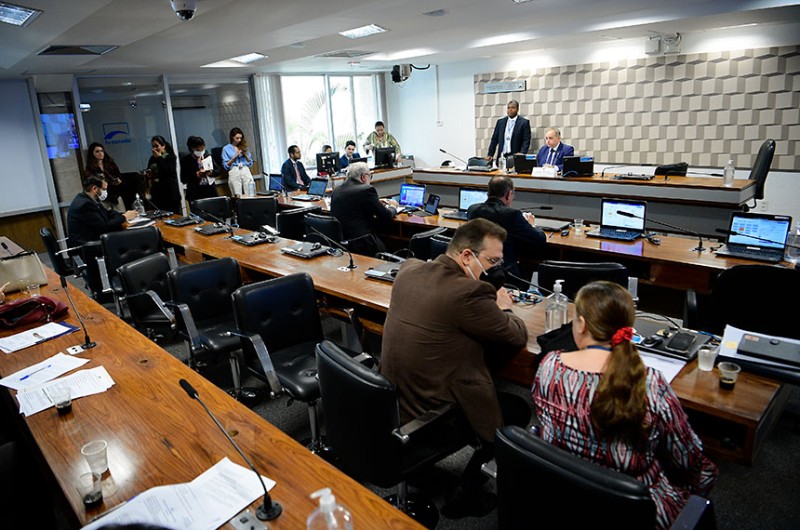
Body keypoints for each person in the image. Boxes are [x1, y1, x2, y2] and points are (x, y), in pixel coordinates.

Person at [531, 281, 718, 530]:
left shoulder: (549, 365)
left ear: (582, 325)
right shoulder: (648, 381)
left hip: (564, 496)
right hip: (635, 511)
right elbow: (688, 460)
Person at [380, 218, 530, 518]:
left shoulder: (409, 270)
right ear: (466, 256)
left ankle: (429, 473)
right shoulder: (469, 293)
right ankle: (468, 493)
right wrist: (504, 305)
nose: (497, 268)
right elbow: (516, 335)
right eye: (492, 260)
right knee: (517, 408)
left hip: (391, 402)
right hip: (431, 417)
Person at [467, 176, 546, 288]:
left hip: (478, 269)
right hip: (504, 273)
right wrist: (532, 225)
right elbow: (540, 239)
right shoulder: (512, 215)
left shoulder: (472, 210)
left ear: (488, 193)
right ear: (508, 194)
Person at [329, 162, 398, 256]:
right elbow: (385, 216)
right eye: (370, 176)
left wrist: (376, 203)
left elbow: (354, 207)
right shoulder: (366, 189)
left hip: (343, 244)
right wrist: (393, 206)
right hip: (364, 243)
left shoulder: (337, 190)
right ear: (363, 177)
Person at [67, 175, 136, 247]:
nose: (105, 192)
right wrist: (124, 217)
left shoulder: (89, 199)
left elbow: (107, 213)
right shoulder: (84, 205)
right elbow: (104, 227)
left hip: (95, 239)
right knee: (132, 238)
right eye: (104, 189)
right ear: (95, 189)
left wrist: (124, 215)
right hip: (89, 246)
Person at [486, 100, 531, 165]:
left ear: (517, 109)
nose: (510, 110)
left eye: (513, 108)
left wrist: (522, 153)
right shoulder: (500, 122)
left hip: (515, 156)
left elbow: (526, 140)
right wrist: (490, 154)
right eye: (508, 108)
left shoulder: (524, 122)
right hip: (502, 156)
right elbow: (494, 140)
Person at [146, 135, 181, 213]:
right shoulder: (152, 158)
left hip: (169, 193)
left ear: (163, 146)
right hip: (157, 192)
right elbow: (150, 169)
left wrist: (159, 157)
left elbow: (168, 171)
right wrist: (149, 173)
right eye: (153, 146)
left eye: (156, 146)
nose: (154, 148)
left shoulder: (170, 157)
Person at [84, 143, 124, 210]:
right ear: (92, 153)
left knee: (122, 213)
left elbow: (119, 176)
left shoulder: (110, 164)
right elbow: (89, 183)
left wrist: (118, 181)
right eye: (97, 151)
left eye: (102, 151)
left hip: (115, 194)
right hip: (101, 196)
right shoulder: (90, 169)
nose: (100, 153)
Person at [180, 136, 219, 202]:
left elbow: (217, 171)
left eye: (202, 149)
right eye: (198, 150)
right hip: (195, 193)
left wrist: (210, 173)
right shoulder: (186, 160)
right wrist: (197, 175)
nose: (201, 151)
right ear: (192, 148)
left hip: (210, 191)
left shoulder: (208, 156)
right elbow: (183, 179)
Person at [222, 127, 255, 198]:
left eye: (240, 138)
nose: (239, 140)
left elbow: (250, 162)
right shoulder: (226, 149)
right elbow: (226, 165)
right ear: (232, 137)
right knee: (236, 194)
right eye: (237, 138)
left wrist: (245, 154)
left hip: (245, 169)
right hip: (234, 169)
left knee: (250, 192)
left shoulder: (244, 147)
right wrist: (235, 156)